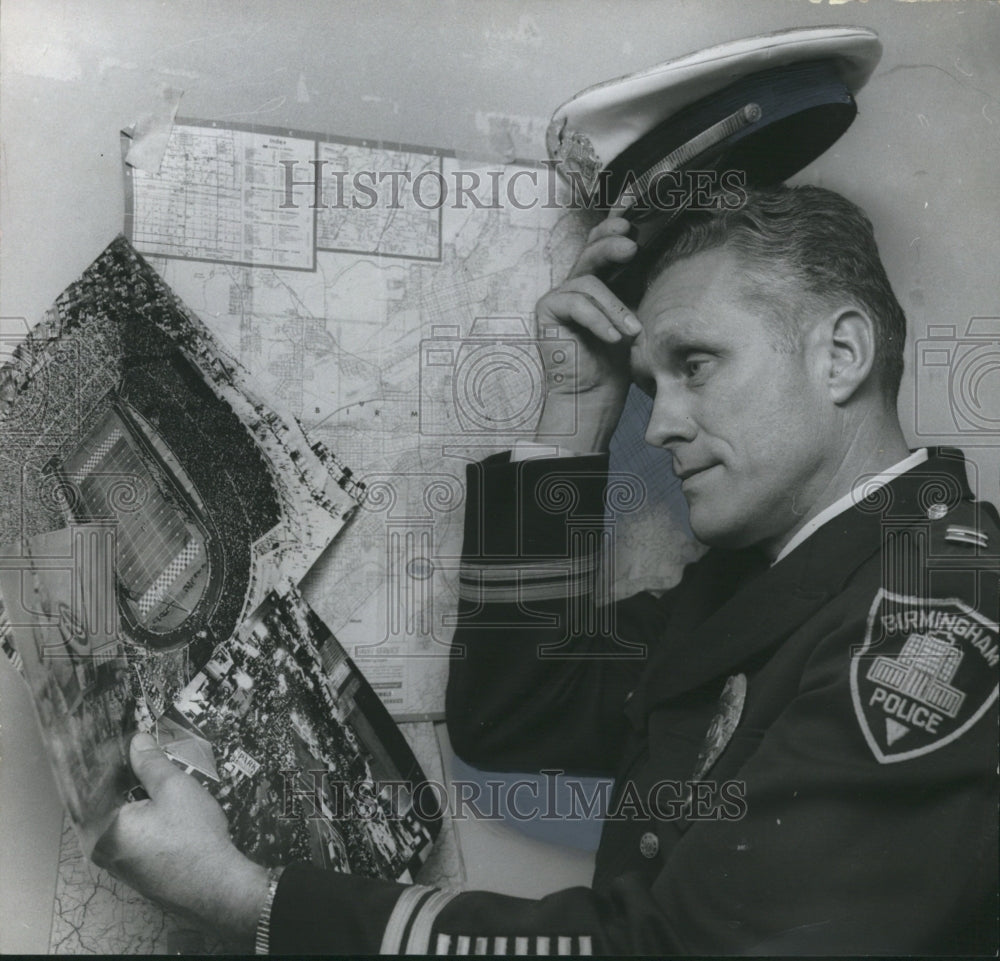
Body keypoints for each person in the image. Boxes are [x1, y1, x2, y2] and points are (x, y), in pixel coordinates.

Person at [93, 183, 999, 955]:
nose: (659, 425)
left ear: (841, 354)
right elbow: (515, 713)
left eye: (696, 363)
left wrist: (253, 900)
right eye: (651, 385)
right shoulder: (782, 579)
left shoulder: (939, 611)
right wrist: (575, 413)